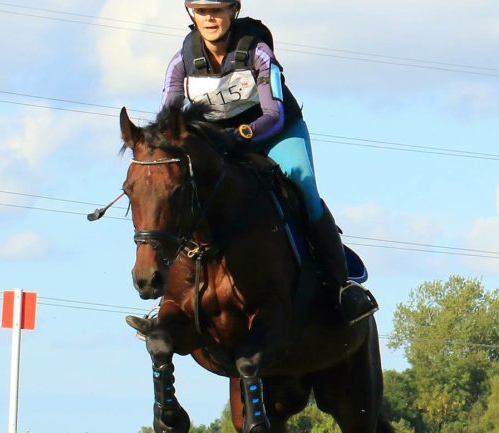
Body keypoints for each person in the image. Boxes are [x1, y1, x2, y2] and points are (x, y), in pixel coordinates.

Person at [160, 0, 377, 324]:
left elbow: (273, 114)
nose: (210, 18)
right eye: (202, 11)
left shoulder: (256, 50)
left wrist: (238, 137)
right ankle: (171, 300)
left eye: (217, 10)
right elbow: (170, 121)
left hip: (274, 133)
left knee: (301, 183)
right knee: (182, 195)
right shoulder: (181, 62)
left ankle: (342, 288)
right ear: (192, 14)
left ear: (233, 11)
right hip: (220, 143)